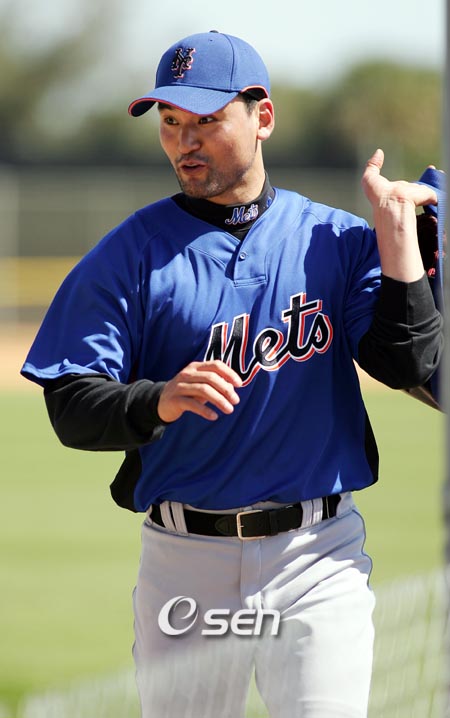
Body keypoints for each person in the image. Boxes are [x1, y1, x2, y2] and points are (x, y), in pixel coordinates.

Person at [21, 30, 443, 718]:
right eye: (170, 122)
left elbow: (408, 363)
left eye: (207, 120)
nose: (184, 141)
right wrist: (156, 400)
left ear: (262, 117)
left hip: (317, 557)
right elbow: (71, 405)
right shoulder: (128, 256)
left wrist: (399, 246)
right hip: (185, 560)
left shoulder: (335, 241)